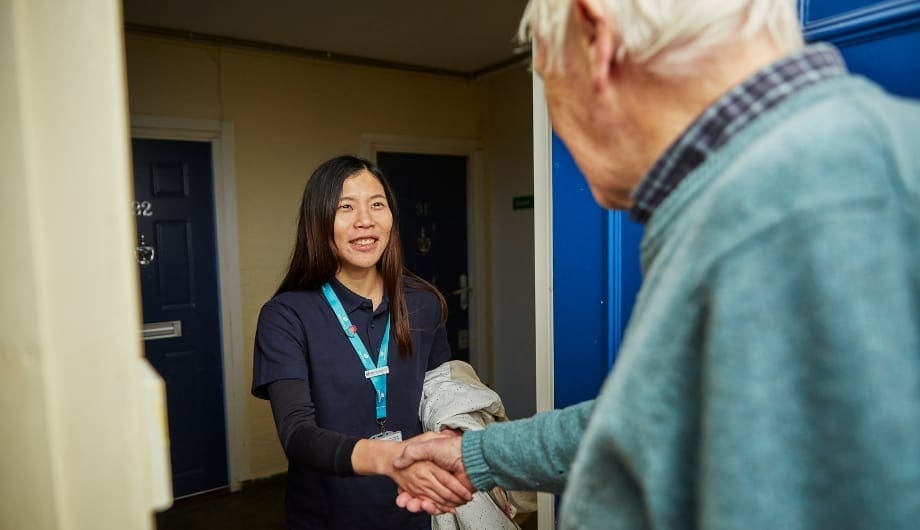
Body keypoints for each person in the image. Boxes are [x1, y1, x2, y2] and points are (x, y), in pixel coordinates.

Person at [393, 0, 920, 528]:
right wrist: (478, 453)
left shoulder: (789, 211)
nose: (558, 123)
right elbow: (666, 416)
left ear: (597, 39)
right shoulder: (801, 176)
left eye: (549, 82)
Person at [251, 155, 472, 529]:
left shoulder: (423, 303)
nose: (364, 220)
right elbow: (298, 435)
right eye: (345, 207)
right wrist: (392, 457)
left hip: (414, 510)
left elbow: (441, 397)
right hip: (327, 517)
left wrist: (457, 439)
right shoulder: (286, 316)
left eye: (376, 204)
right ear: (319, 222)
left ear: (391, 218)